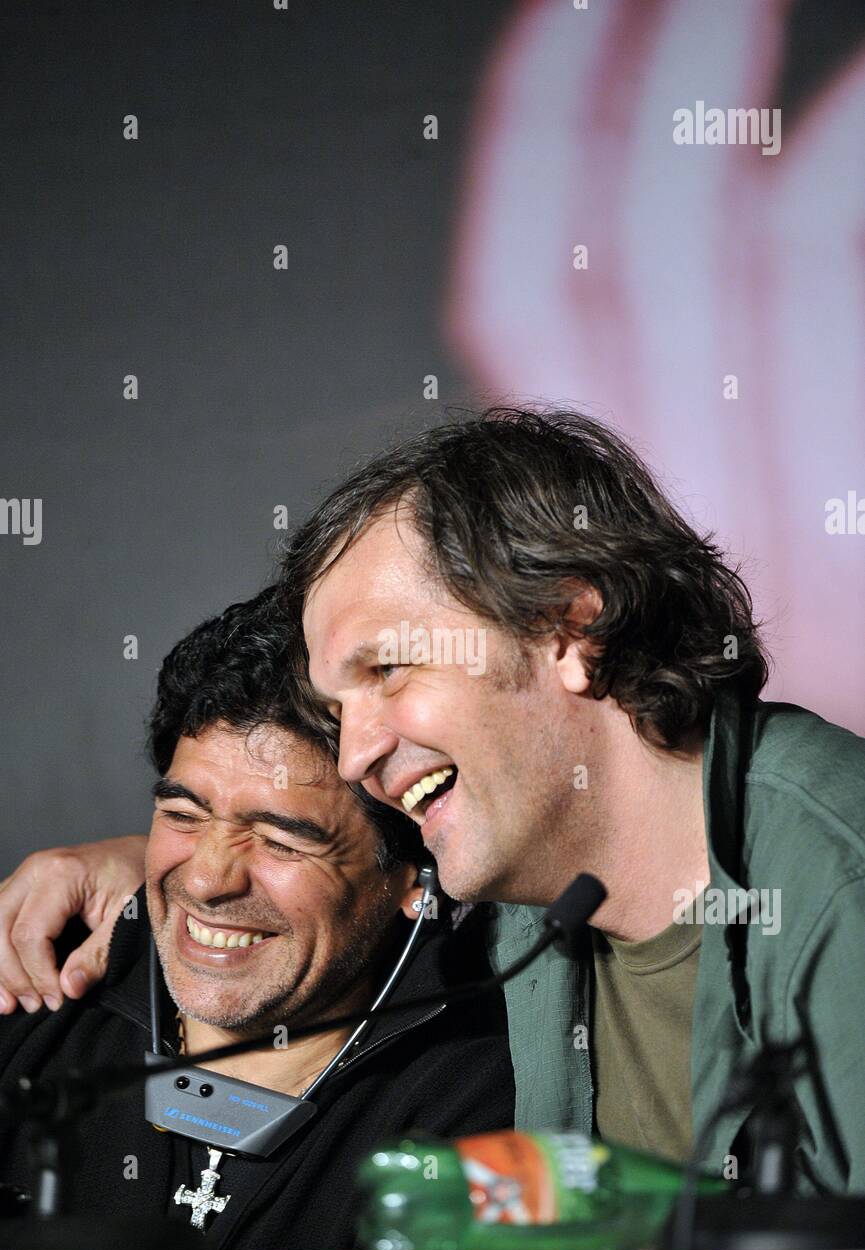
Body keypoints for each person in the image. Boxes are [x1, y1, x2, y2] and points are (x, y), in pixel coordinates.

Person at [4, 408, 865, 1195]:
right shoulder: (523, 896)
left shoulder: (838, 883)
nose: (354, 756)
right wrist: (148, 867)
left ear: (568, 630)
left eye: (386, 670)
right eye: (338, 709)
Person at [0, 587, 515, 1250]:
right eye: (183, 816)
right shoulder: (32, 995)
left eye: (281, 841)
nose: (209, 879)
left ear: (414, 878)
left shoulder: (480, 1098)